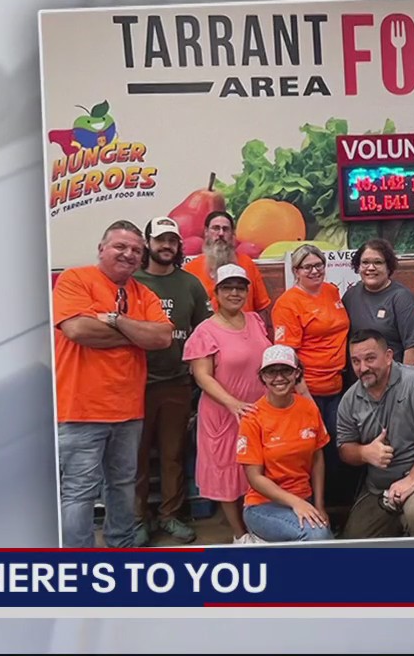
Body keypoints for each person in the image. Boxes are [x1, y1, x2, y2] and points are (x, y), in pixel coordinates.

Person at [51, 220, 172, 548]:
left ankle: (121, 548)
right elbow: (77, 331)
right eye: (121, 246)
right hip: (80, 411)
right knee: (79, 492)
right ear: (101, 249)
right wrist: (136, 334)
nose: (129, 254)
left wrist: (115, 319)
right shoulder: (75, 279)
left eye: (136, 250)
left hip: (128, 411)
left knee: (122, 485)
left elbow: (162, 337)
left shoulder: (142, 293)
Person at [130, 216, 212, 546]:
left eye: (172, 241)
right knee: (135, 457)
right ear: (148, 242)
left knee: (172, 454)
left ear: (179, 246)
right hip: (135, 383)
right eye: (160, 239)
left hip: (178, 383)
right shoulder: (130, 282)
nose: (166, 246)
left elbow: (204, 334)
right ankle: (137, 519)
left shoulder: (190, 284)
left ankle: (170, 515)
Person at [336, 330, 414, 538]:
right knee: (354, 541)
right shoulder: (350, 400)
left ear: (388, 356)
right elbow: (344, 448)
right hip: (380, 485)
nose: (363, 368)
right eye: (356, 361)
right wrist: (364, 453)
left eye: (370, 358)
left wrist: (411, 480)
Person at [182, 264, 273, 544]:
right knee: (228, 473)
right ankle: (240, 534)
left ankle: (259, 527)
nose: (234, 293)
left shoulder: (255, 320)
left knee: (257, 470)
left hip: (258, 412)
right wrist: (233, 404)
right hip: (224, 415)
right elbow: (202, 376)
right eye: (227, 288)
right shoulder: (204, 331)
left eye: (240, 287)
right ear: (216, 293)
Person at [271, 244, 354, 506]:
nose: (315, 271)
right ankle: (320, 506)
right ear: (296, 271)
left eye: (319, 265)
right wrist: (303, 392)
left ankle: (341, 503)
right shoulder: (287, 304)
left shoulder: (331, 291)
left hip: (339, 385)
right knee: (317, 449)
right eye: (308, 267)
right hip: (310, 390)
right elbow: (287, 354)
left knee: (340, 445)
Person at [237, 345, 334, 543]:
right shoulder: (253, 417)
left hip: (303, 499)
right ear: (262, 376)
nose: (279, 378)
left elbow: (317, 458)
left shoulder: (308, 408)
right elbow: (254, 478)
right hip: (263, 506)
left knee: (324, 532)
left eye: (286, 370)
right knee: (317, 535)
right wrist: (296, 503)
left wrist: (319, 505)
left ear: (297, 373)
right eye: (271, 372)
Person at [342, 238, 414, 366]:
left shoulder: (402, 298)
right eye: (365, 262)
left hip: (392, 381)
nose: (370, 268)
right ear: (358, 266)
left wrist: (405, 383)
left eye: (378, 262)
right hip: (357, 382)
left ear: (388, 267)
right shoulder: (351, 296)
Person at [183, 210, 272, 327]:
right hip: (207, 339)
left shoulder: (247, 264)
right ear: (206, 232)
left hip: (245, 336)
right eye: (215, 228)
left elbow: (261, 308)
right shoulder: (191, 269)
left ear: (232, 234)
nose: (220, 233)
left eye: (225, 229)